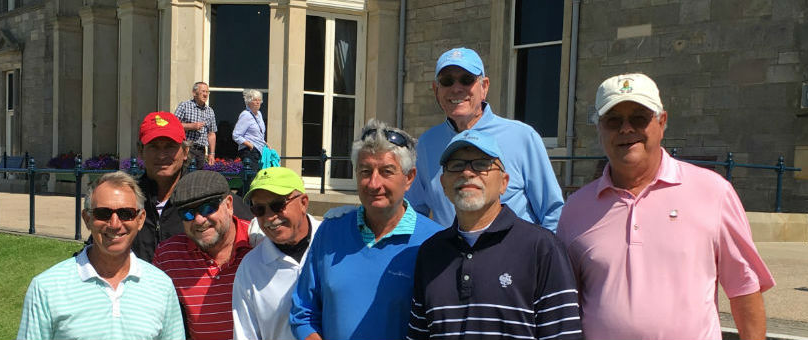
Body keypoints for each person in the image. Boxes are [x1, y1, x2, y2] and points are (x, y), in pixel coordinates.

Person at [557, 73, 775, 340]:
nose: (626, 129)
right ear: (599, 129)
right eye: (613, 120)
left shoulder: (713, 192)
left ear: (662, 122)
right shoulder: (576, 208)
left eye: (639, 118)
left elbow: (744, 288)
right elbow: (565, 304)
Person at [407, 130, 583, 340]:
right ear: (443, 184)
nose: (468, 173)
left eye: (481, 164)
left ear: (503, 182)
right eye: (456, 165)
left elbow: (562, 335)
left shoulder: (542, 248)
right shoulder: (431, 253)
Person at [290, 119, 443, 340]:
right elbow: (303, 313)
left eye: (386, 171)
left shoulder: (434, 241)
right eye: (365, 171)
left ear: (409, 178)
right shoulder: (330, 233)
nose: (373, 183)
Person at [407, 47, 564, 232]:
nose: (456, 88)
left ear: (484, 87)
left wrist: (539, 257)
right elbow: (413, 214)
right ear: (436, 90)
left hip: (513, 258)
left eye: (467, 80)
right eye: (447, 81)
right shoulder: (426, 144)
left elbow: (553, 212)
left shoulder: (522, 137)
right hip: (452, 259)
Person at [17, 172, 184, 340]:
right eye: (103, 213)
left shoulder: (162, 286)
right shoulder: (47, 288)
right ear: (87, 219)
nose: (115, 224)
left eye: (126, 214)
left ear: (140, 220)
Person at [80, 111, 254, 262]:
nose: (162, 155)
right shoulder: (128, 198)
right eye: (154, 147)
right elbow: (95, 248)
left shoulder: (206, 194)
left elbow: (254, 232)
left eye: (170, 147)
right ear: (141, 151)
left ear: (185, 152)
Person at [153, 170, 254, 340]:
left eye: (208, 207)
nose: (199, 219)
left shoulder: (258, 243)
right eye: (187, 213)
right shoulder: (168, 256)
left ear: (229, 205)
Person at [232, 167, 320, 340]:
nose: (269, 217)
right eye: (259, 209)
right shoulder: (250, 268)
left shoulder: (335, 245)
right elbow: (245, 335)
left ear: (303, 202)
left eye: (278, 205)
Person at [175, 81, 218, 167]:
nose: (205, 94)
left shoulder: (210, 111)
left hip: (201, 151)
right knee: (185, 176)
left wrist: (211, 154)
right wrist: (191, 126)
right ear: (194, 93)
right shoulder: (184, 106)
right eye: (203, 91)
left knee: (198, 178)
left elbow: (211, 134)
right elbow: (173, 125)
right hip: (185, 149)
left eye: (207, 92)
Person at [232, 89, 267, 170]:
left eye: (259, 100)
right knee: (252, 177)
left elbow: (258, 133)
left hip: (259, 151)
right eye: (255, 100)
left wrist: (265, 143)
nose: (258, 102)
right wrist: (250, 145)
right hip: (249, 152)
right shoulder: (245, 115)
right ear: (249, 102)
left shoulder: (259, 114)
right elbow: (236, 135)